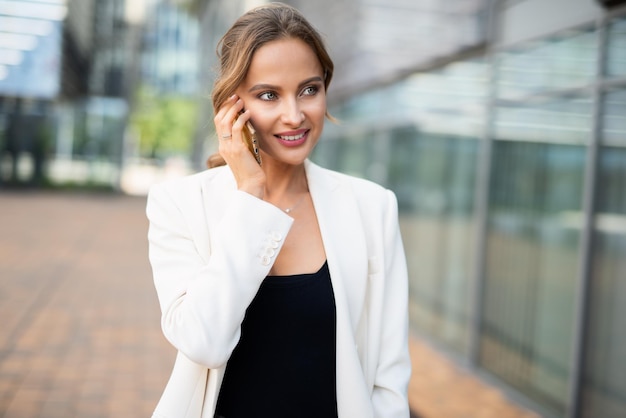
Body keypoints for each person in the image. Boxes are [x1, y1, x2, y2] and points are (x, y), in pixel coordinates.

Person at [146, 3, 411, 418]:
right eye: (269, 95)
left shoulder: (373, 208)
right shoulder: (180, 205)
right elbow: (205, 342)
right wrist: (250, 196)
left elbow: (389, 380)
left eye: (309, 89)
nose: (295, 115)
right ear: (234, 107)